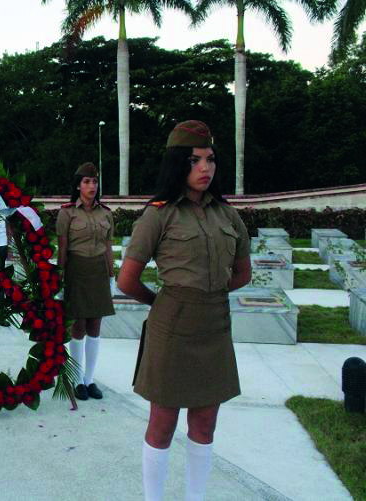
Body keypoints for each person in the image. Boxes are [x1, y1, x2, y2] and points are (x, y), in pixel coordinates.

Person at [117, 121, 251, 501]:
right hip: (171, 327)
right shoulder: (159, 215)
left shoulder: (228, 216)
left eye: (210, 159)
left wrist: (208, 296)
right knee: (163, 422)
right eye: (195, 160)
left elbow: (243, 273)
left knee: (205, 423)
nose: (205, 168)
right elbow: (127, 280)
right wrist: (161, 301)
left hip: (214, 326)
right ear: (179, 163)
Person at [56, 162, 115, 402]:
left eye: (94, 181)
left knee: (95, 325)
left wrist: (111, 276)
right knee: (78, 325)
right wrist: (60, 278)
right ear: (78, 185)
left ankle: (90, 380)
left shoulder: (106, 213)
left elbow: (109, 246)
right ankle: (77, 379)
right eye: (87, 182)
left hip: (99, 270)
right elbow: (62, 250)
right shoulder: (67, 212)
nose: (92, 186)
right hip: (77, 271)